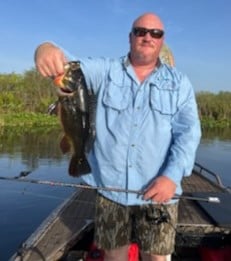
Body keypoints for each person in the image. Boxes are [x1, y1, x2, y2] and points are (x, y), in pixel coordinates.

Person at [34, 12, 201, 261]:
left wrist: (171, 177)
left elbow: (188, 134)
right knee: (114, 257)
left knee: (157, 257)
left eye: (155, 33)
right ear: (130, 37)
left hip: (159, 194)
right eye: (140, 31)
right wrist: (45, 48)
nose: (147, 37)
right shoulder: (105, 71)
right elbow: (70, 66)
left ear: (162, 40)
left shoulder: (180, 84)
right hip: (110, 190)